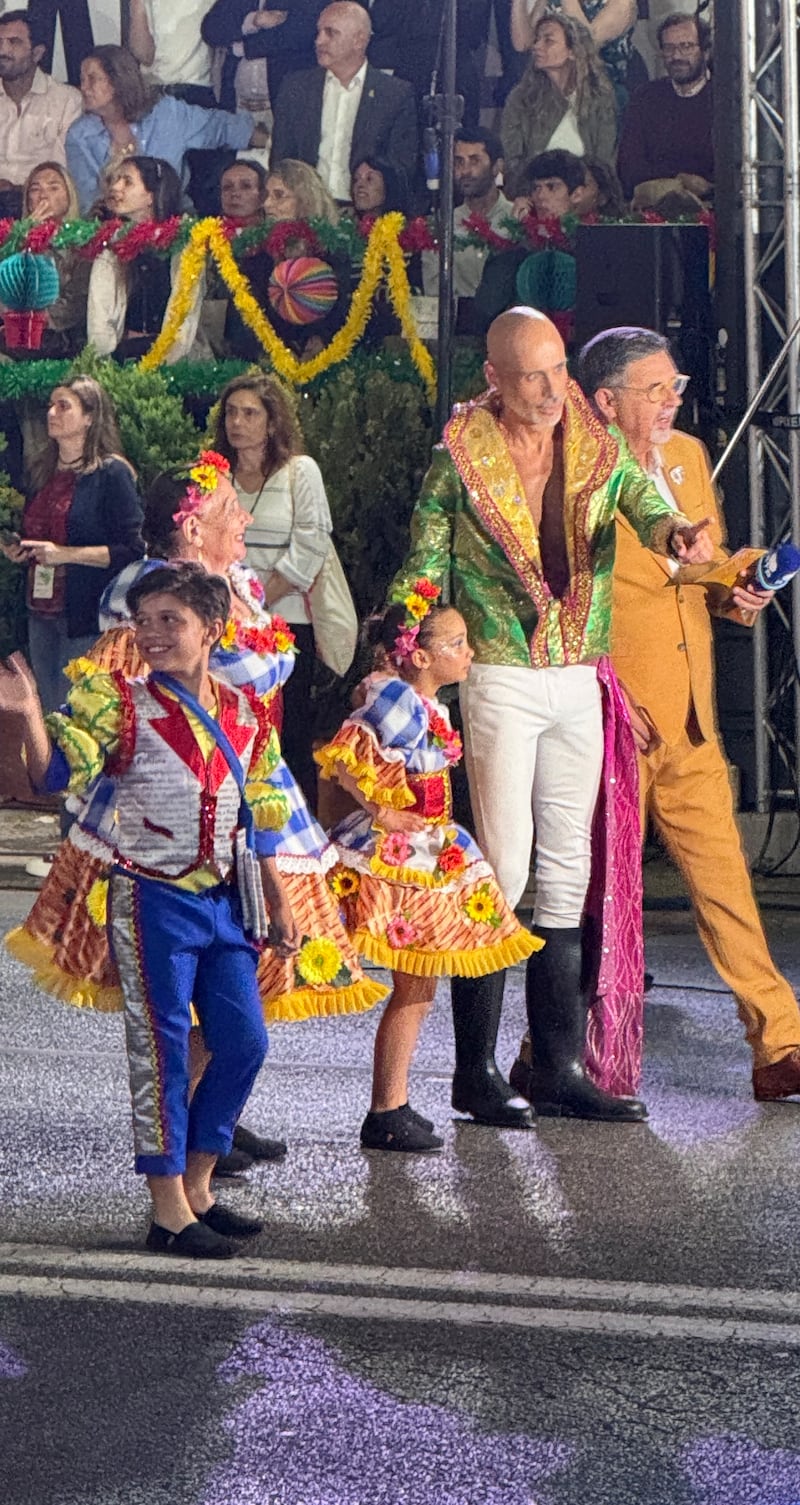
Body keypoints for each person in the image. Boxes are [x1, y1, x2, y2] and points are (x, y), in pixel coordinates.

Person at [6, 453, 385, 1169]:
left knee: (238, 983)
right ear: (190, 527)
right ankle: (181, 1159)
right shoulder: (154, 595)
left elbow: (253, 682)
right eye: (227, 510)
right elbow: (239, 671)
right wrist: (31, 718)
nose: (243, 518)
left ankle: (211, 1120)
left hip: (239, 787)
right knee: (175, 1010)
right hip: (167, 803)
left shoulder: (232, 590)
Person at [390, 307, 715, 1123]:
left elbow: (644, 501)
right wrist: (404, 642)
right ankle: (475, 1071)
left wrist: (677, 533)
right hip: (500, 669)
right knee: (502, 870)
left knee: (569, 868)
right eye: (530, 376)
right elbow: (423, 562)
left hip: (576, 671)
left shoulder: (596, 444)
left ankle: (558, 1066)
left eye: (558, 369)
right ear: (493, 379)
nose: (548, 390)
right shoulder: (460, 456)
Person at [0, 564, 298, 1259]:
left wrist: (278, 900)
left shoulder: (246, 714)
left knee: (244, 1042)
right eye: (144, 621)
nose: (152, 634)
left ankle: (198, 1187)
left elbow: (262, 816)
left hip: (227, 900)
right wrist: (30, 714)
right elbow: (52, 777)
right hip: (152, 897)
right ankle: (168, 1210)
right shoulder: (121, 703)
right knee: (162, 1051)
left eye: (171, 620)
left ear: (211, 630)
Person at [565, 326, 800, 1105]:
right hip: (617, 718)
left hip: (691, 717)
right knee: (600, 895)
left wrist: (742, 585)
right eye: (656, 388)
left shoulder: (690, 457)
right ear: (606, 401)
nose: (672, 400)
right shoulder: (577, 470)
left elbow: (700, 569)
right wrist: (603, 688)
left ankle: (779, 1043)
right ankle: (553, 1049)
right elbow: (564, 595)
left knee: (728, 881)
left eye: (677, 385)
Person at [316, 588, 540, 1151]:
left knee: (418, 987)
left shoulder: (423, 704)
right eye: (456, 644)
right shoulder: (395, 698)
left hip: (432, 844)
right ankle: (386, 1108)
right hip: (405, 853)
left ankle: (391, 1104)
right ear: (419, 655)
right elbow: (348, 753)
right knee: (413, 986)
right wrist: (380, 810)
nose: (469, 653)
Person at [213, 374, 334, 805]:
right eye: (231, 413)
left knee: (289, 733)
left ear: (271, 422)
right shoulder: (215, 475)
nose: (237, 422)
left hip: (285, 622)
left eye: (250, 413)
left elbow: (310, 545)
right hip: (225, 624)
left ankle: (297, 829)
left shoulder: (299, 471)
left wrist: (255, 601)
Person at [0, 376, 143, 716]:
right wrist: (19, 550)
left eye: (63, 406)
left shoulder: (111, 473)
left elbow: (133, 550)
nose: (52, 413)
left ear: (90, 417)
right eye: (50, 405)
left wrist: (65, 555)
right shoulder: (43, 470)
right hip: (41, 610)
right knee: (48, 710)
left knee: (75, 711)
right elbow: (39, 532)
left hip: (87, 613)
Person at [65, 43, 258, 214]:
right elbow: (89, 200)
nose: (83, 88)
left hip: (176, 220)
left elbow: (220, 127)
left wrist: (270, 140)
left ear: (118, 80)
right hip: (114, 228)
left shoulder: (166, 113)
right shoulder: (79, 136)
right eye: (82, 80)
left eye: (92, 79)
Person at [270, 2, 419, 206]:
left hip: (366, 215)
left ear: (359, 40)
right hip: (307, 211)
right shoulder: (295, 88)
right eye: (319, 32)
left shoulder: (394, 94)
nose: (319, 40)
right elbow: (281, 160)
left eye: (330, 33)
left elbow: (401, 167)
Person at [85, 155, 205, 363]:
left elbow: (185, 317)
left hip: (174, 361)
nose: (115, 187)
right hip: (122, 357)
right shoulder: (110, 241)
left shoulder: (184, 240)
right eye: (115, 180)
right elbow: (100, 316)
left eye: (127, 181)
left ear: (151, 195)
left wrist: (165, 361)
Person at [501, 10, 618, 195]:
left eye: (548, 40)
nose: (536, 46)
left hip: (585, 196)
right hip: (535, 195)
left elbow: (604, 161)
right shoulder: (521, 98)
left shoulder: (600, 98)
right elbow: (512, 160)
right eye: (537, 40)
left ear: (572, 51)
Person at [617, 12, 713, 205]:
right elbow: (628, 168)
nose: (676, 56)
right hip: (652, 208)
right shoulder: (645, 97)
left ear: (705, 51)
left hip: (714, 209)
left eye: (686, 46)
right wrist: (679, 180)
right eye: (669, 48)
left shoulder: (724, 99)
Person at [0, 9, 82, 212]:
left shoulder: (66, 100)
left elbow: (62, 171)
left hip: (39, 205)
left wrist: (19, 190)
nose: (3, 51)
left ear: (37, 53)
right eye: (0, 42)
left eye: (14, 42)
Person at [422, 129, 512, 302]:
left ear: (497, 166)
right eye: (459, 162)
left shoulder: (517, 219)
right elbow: (433, 296)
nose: (465, 171)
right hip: (457, 317)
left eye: (474, 161)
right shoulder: (442, 225)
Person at [15, 161, 90, 357]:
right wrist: (24, 238)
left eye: (53, 187)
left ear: (69, 196)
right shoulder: (12, 241)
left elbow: (77, 301)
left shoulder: (86, 241)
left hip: (65, 339)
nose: (43, 195)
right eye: (35, 189)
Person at [202, 0, 325, 114]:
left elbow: (301, 32)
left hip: (286, 101)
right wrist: (252, 20)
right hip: (236, 104)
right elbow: (210, 29)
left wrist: (243, 47)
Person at [510, 0, 637, 98]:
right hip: (549, 91)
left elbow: (582, 43)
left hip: (598, 92)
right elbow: (523, 43)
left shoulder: (622, 3)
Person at [350, 156, 411, 224]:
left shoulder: (405, 228)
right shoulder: (345, 222)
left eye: (369, 179)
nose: (360, 184)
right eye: (356, 179)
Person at [220, 158, 268, 224]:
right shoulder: (208, 229)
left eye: (245, 186)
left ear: (263, 196)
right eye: (227, 187)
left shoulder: (276, 229)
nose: (234, 194)